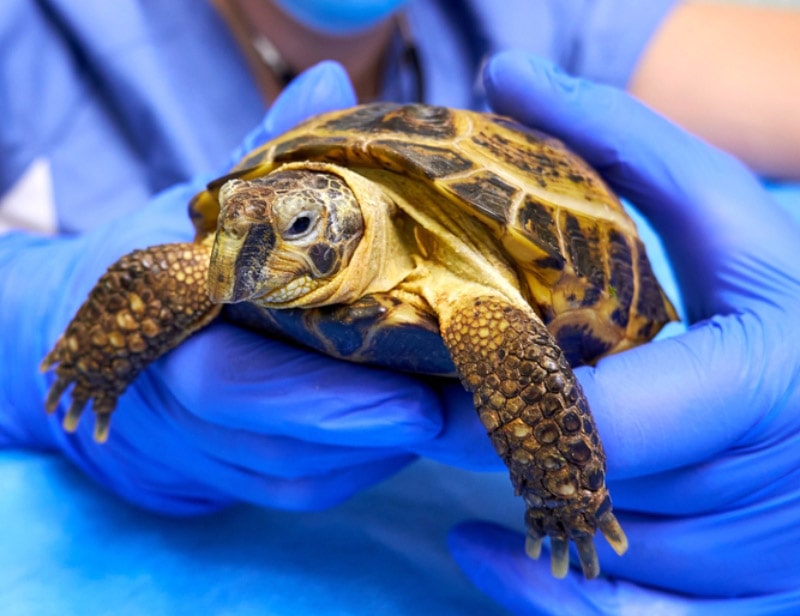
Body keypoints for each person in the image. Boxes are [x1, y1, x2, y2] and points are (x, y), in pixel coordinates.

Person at [1, 0, 799, 613]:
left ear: (351, 228)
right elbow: (200, 263)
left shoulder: (533, 18)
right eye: (248, 222)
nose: (254, 247)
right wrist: (49, 335)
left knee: (496, 333)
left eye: (299, 229)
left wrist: (563, 481)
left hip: (478, 284)